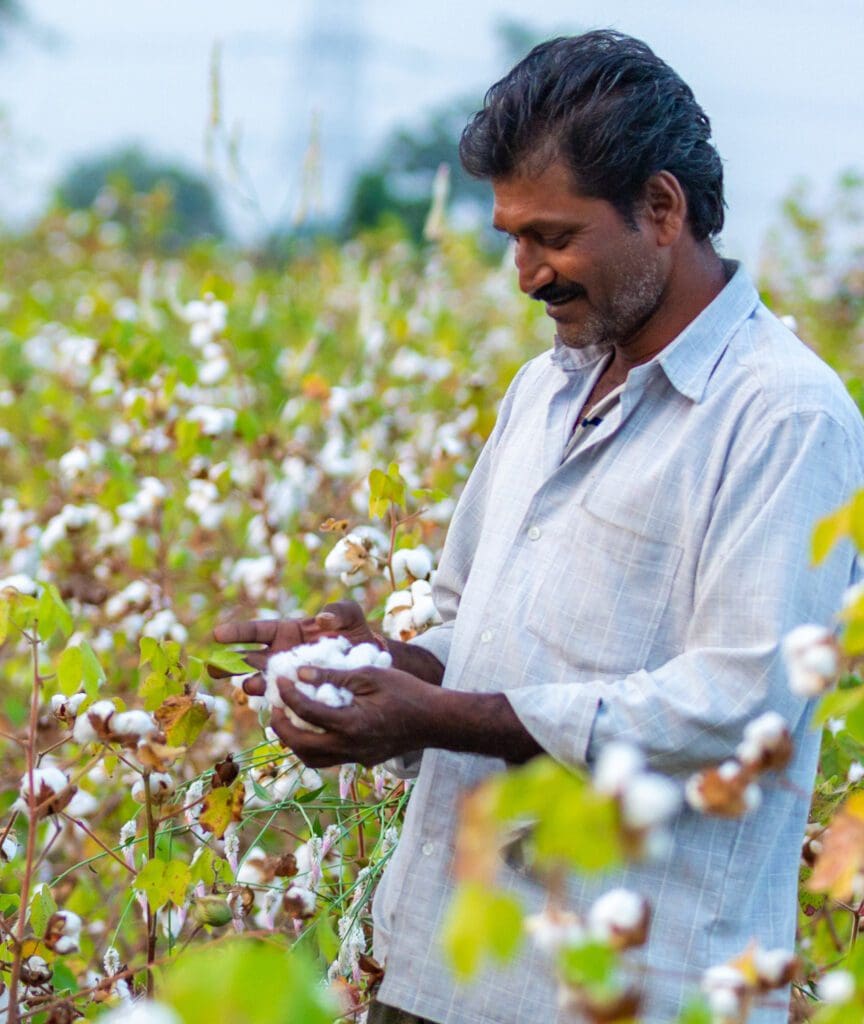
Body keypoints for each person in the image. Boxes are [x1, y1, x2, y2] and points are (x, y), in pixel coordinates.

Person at [216, 30, 864, 1024]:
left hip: (627, 992)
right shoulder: (543, 389)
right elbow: (467, 634)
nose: (527, 273)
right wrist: (367, 664)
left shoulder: (785, 418)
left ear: (661, 209)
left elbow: (739, 710)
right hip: (432, 967)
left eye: (554, 237)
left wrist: (435, 714)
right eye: (512, 237)